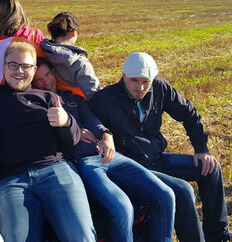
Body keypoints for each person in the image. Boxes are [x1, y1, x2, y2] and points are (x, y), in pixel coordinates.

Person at [89, 52, 231, 242]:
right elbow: (90, 123)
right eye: (134, 81)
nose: (140, 88)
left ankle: (217, 235)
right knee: (182, 190)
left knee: (212, 169)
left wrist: (202, 149)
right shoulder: (105, 98)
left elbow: (188, 113)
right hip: (134, 169)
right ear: (123, 76)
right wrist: (104, 134)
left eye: (146, 82)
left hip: (158, 158)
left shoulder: (160, 88)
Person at [32, 58, 175, 242]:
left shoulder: (73, 98)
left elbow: (91, 118)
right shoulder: (37, 108)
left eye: (47, 75)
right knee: (122, 207)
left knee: (166, 195)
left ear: (54, 72)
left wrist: (106, 134)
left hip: (110, 154)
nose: (45, 82)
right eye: (38, 80)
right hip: (84, 163)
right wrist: (73, 128)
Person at [0, 42, 96, 241]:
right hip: (12, 181)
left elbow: (73, 140)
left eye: (25, 66)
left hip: (55, 171)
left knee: (81, 236)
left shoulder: (48, 98)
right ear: (4, 67)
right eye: (13, 65)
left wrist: (67, 122)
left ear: (33, 70)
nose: (19, 71)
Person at [40, 12, 100, 99]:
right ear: (74, 32)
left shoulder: (40, 51)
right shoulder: (79, 63)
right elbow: (94, 95)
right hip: (75, 107)